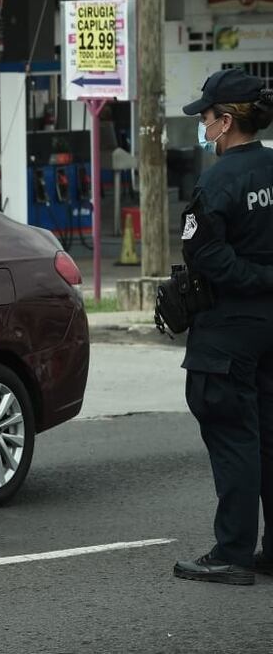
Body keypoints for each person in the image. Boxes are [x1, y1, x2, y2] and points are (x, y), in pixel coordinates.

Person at [173, 67, 273, 586]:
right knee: (268, 439)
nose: (203, 126)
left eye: (206, 117)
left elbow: (204, 254)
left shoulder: (218, 180)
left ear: (226, 121)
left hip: (230, 326)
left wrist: (257, 277)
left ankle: (233, 551)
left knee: (234, 437)